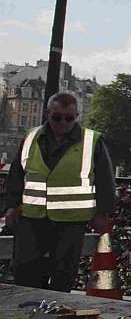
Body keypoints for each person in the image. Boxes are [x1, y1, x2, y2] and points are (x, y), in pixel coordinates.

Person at [1, 91, 116, 291]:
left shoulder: (92, 141)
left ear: (76, 117)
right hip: (32, 217)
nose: (63, 122)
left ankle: (54, 318)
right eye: (57, 117)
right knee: (25, 272)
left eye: (69, 118)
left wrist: (102, 212)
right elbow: (17, 176)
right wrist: (10, 207)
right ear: (48, 114)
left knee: (63, 275)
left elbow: (106, 179)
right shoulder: (31, 137)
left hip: (71, 221)